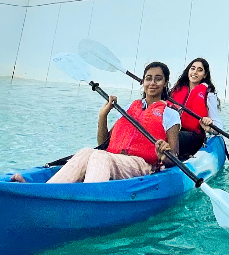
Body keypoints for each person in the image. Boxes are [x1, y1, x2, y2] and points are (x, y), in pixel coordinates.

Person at [11, 61, 181, 183]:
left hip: (143, 165)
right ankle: (47, 191)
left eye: (158, 79)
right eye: (148, 78)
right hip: (117, 160)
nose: (152, 83)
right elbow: (103, 143)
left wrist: (163, 155)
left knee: (99, 156)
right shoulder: (131, 108)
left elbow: (174, 157)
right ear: (143, 82)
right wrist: (103, 115)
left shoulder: (170, 114)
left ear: (165, 83)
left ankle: (88, 198)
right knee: (87, 152)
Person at [169, 57, 224, 158]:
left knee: (172, 137)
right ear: (188, 70)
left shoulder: (208, 94)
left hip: (194, 136)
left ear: (205, 75)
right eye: (193, 68)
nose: (195, 72)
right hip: (173, 130)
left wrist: (209, 126)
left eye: (200, 70)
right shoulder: (177, 89)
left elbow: (219, 126)